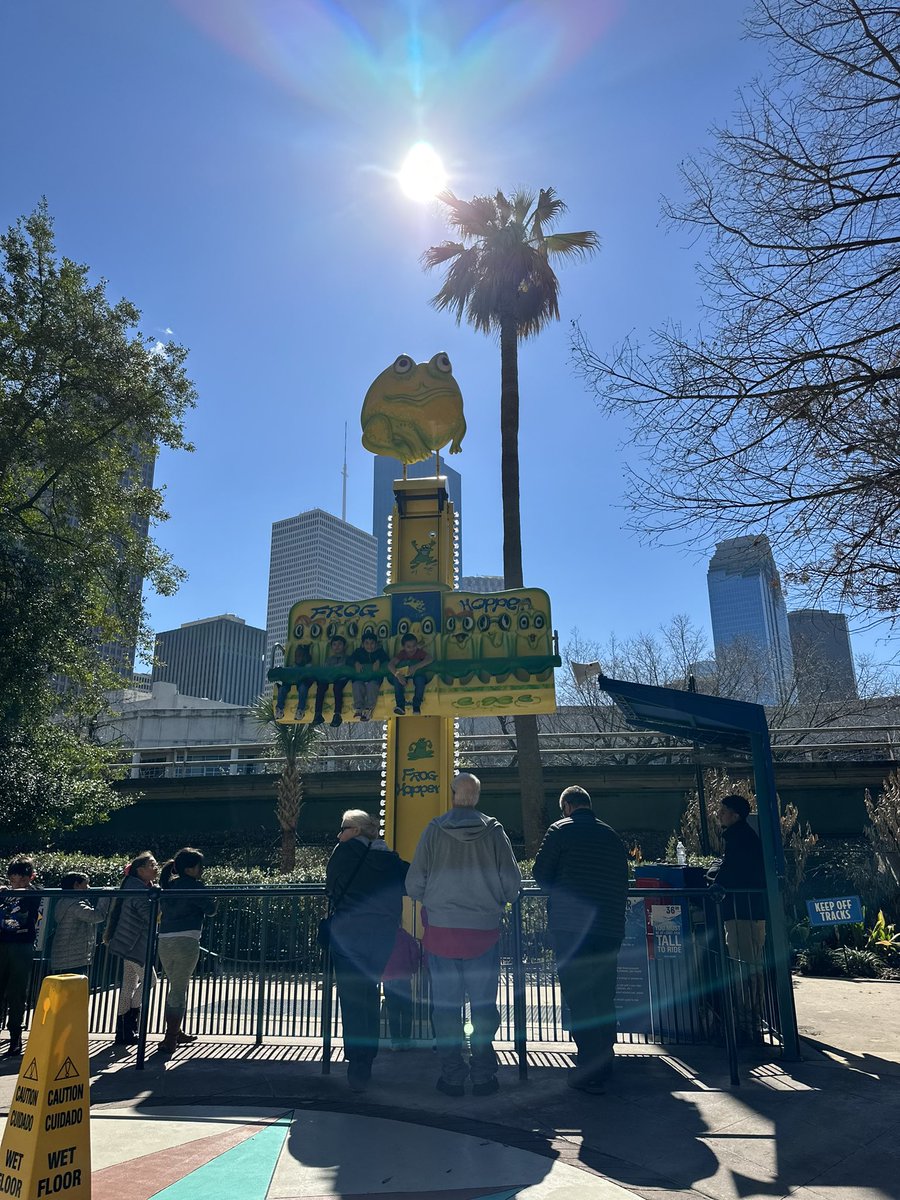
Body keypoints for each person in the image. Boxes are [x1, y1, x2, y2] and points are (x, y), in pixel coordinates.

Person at [405, 772, 521, 1097]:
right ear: (478, 796)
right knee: (484, 1007)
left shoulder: (434, 830)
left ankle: (451, 1076)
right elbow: (512, 887)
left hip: (441, 933)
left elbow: (413, 884)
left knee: (445, 1008)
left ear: (452, 793)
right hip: (483, 933)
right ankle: (484, 1075)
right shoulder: (495, 832)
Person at [533, 786, 628, 1094]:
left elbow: (541, 875)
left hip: (573, 928)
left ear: (567, 807)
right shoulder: (612, 835)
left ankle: (591, 1067)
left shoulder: (559, 830)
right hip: (610, 927)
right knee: (603, 995)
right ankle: (606, 1058)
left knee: (580, 997)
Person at [326, 809, 409, 1092]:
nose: (339, 834)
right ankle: (367, 1059)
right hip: (381, 937)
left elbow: (331, 889)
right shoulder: (390, 860)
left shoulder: (342, 854)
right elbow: (411, 884)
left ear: (357, 831)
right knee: (371, 992)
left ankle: (356, 1061)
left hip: (347, 936)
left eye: (343, 827)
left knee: (351, 998)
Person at [707, 793, 767, 1017]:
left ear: (735, 815)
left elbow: (732, 870)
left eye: (723, 811)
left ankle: (749, 1009)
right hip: (748, 909)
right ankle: (751, 1007)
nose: (719, 814)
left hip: (742, 910)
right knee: (750, 959)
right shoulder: (743, 836)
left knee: (744, 960)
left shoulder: (739, 838)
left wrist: (716, 883)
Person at [157, 848, 217, 1054]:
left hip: (164, 940)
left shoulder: (168, 885)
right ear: (191, 868)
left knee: (174, 986)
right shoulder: (195, 886)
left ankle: (174, 1031)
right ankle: (171, 1037)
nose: (202, 870)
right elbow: (210, 909)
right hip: (187, 940)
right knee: (179, 988)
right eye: (200, 866)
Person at [104, 851, 159, 1046]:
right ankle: (131, 1020)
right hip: (135, 944)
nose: (156, 868)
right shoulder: (140, 891)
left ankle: (123, 1031)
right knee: (150, 981)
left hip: (128, 943)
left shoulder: (134, 887)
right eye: (152, 865)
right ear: (140, 870)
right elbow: (149, 915)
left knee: (127, 986)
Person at [0, 857, 42, 1058]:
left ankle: (15, 1034)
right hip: (2, 943)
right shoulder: (3, 892)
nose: (17, 882)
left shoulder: (33, 893)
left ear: (29, 878)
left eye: (22, 879)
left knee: (17, 992)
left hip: (22, 945)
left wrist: (22, 889)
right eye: (14, 879)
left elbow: (35, 896)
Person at [49, 872, 106, 978]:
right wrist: (105, 897)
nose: (89, 888)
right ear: (76, 885)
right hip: (74, 957)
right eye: (86, 884)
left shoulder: (63, 902)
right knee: (75, 988)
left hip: (65, 957)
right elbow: (96, 916)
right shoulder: (75, 905)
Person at [381, 925, 421, 1050]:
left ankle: (395, 1041)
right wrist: (413, 968)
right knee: (406, 1010)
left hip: (388, 978)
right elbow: (415, 952)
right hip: (404, 977)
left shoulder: (383, 937)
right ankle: (406, 1039)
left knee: (392, 1011)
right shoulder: (406, 936)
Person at [389, 633, 433, 715]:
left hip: (417, 676)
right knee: (396, 680)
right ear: (404, 647)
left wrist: (416, 667)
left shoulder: (419, 652)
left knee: (420, 680)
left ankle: (416, 705)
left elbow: (429, 659)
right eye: (408, 647)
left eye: (414, 646)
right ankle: (400, 705)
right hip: (404, 676)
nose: (412, 649)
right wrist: (398, 675)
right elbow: (391, 664)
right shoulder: (402, 654)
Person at [312, 635, 351, 728]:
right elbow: (326, 670)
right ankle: (318, 713)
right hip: (330, 679)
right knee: (321, 687)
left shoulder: (347, 658)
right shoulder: (329, 660)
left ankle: (337, 713)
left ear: (344, 646)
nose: (337, 647)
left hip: (341, 679)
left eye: (339, 644)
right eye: (334, 644)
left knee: (337, 688)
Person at [349, 632, 389, 721]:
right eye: (367, 643)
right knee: (357, 685)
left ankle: (368, 709)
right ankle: (358, 708)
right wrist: (356, 663)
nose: (369, 646)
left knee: (372, 686)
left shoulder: (380, 652)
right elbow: (350, 660)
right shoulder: (358, 652)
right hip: (360, 678)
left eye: (372, 643)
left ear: (376, 644)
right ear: (362, 644)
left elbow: (386, 659)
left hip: (374, 678)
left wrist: (379, 661)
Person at [275, 642, 314, 720]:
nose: (297, 657)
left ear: (305, 657)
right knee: (282, 689)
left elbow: (310, 676)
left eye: (300, 656)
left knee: (302, 688)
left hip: (302, 682)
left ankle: (300, 710)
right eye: (296, 655)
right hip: (290, 682)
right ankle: (279, 709)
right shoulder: (292, 666)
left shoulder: (308, 667)